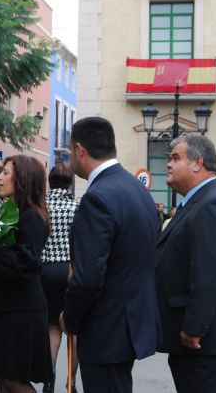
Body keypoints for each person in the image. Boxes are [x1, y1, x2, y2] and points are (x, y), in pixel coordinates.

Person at [62, 117, 158, 393]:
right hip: (128, 324)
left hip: (106, 329)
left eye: (70, 152)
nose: (71, 158)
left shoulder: (98, 196)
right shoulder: (135, 188)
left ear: (80, 150)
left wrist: (70, 317)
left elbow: (88, 278)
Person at [156, 134, 216, 393]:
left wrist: (193, 329)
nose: (168, 164)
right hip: (198, 344)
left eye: (176, 158)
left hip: (207, 344)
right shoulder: (197, 203)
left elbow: (210, 274)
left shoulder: (214, 204)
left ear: (198, 163)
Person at [0, 155, 52, 392]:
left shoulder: (31, 217)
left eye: (5, 173)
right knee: (0, 376)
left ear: (22, 179)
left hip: (21, 308)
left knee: (13, 379)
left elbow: (23, 263)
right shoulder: (11, 212)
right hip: (4, 304)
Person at [40, 162, 78, 393]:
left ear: (50, 182)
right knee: (75, 328)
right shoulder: (78, 207)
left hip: (45, 271)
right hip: (71, 270)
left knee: (52, 327)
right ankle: (71, 381)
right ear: (70, 183)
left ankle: (48, 378)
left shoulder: (42, 207)